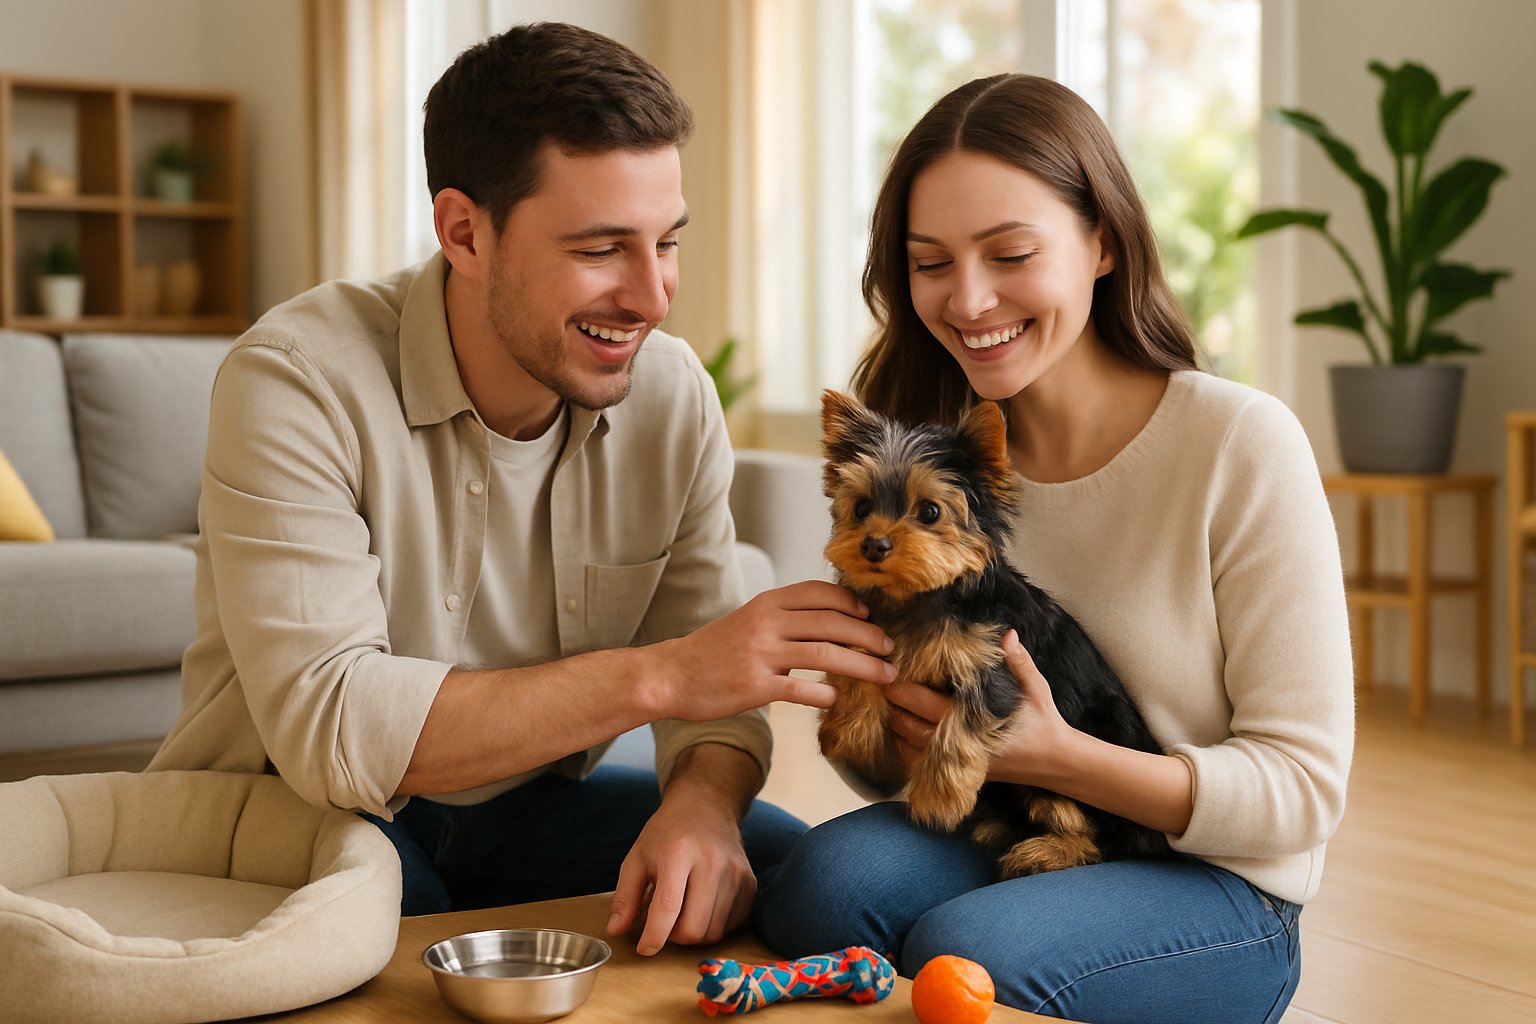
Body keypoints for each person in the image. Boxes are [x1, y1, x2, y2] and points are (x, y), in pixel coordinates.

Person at [148, 22, 897, 958]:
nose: (654, 297)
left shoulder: (671, 398)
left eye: (666, 241)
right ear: (464, 231)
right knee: (376, 930)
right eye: (600, 249)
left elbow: (713, 698)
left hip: (529, 808)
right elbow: (335, 729)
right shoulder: (297, 379)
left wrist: (702, 806)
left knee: (789, 881)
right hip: (293, 810)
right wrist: (666, 673)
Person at [753, 73, 1354, 1024]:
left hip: (1215, 883)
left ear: (1103, 241)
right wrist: (872, 696)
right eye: (931, 262)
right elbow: (918, 772)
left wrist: (1064, 759)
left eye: (1011, 252)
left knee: (968, 958)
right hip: (1005, 825)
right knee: (820, 885)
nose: (969, 297)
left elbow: (1302, 792)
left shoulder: (1240, 444)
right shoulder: (932, 471)